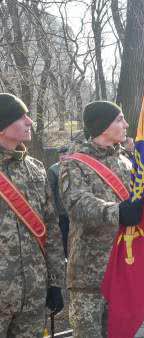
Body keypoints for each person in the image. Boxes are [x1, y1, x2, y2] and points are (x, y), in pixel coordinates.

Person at [59, 101, 143, 337]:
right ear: (103, 126)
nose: (126, 124)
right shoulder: (75, 162)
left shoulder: (126, 161)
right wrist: (116, 211)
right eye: (119, 119)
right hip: (89, 274)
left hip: (122, 268)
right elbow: (76, 203)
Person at [0, 93, 64, 337]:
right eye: (21, 116)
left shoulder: (35, 168)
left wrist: (55, 281)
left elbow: (51, 228)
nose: (29, 122)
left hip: (34, 295)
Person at [47, 146, 70, 258]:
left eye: (65, 154)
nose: (63, 156)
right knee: (64, 235)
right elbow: (50, 191)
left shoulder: (75, 167)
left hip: (74, 210)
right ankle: (66, 257)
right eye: (61, 155)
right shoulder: (53, 170)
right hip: (62, 212)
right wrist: (54, 210)